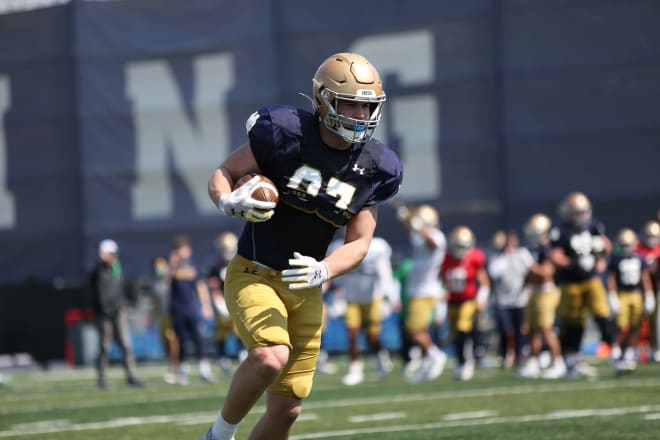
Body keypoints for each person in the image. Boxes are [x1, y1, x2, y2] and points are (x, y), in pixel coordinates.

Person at [203, 52, 402, 440]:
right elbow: (225, 173)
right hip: (254, 272)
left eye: (368, 105)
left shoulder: (377, 165)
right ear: (325, 100)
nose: (361, 115)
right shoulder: (287, 132)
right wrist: (226, 200)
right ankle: (218, 435)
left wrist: (325, 269)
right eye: (352, 104)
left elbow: (360, 241)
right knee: (268, 356)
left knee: (287, 409)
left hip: (306, 286)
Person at [549, 192, 614, 378]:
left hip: (591, 279)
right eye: (578, 212)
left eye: (584, 212)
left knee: (602, 314)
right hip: (570, 283)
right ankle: (571, 360)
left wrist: (601, 255)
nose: (583, 216)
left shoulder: (594, 227)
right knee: (573, 322)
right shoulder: (561, 229)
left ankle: (617, 353)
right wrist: (573, 262)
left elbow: (607, 246)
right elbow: (555, 255)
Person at [327, 236, 396, 386]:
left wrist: (387, 296)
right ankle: (355, 370)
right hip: (351, 297)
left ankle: (380, 355)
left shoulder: (378, 247)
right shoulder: (339, 246)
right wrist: (336, 294)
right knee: (352, 334)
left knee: (372, 337)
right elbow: (334, 272)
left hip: (373, 298)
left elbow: (385, 274)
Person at [396, 204, 448, 383]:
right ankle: (428, 362)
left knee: (413, 329)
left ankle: (435, 355)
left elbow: (432, 243)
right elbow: (412, 230)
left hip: (425, 290)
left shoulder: (437, 236)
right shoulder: (419, 234)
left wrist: (418, 226)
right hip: (416, 288)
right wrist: (406, 218)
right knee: (421, 329)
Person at [89, 239, 143, 390]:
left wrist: (126, 304)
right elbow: (95, 293)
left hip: (118, 311)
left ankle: (131, 376)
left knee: (126, 345)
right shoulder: (98, 271)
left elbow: (125, 288)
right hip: (103, 313)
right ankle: (102, 379)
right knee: (104, 347)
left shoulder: (118, 269)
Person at [518, 214, 566, 379]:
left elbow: (546, 273)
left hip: (547, 291)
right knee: (532, 330)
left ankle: (558, 362)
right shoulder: (534, 248)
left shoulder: (549, 249)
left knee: (546, 329)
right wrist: (524, 287)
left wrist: (530, 264)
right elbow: (530, 275)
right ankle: (533, 362)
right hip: (535, 292)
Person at [440, 226, 490, 381]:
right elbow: (441, 279)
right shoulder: (446, 258)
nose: (460, 250)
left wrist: (481, 299)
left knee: (463, 328)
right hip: (452, 300)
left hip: (468, 299)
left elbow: (484, 281)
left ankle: (466, 361)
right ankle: (461, 360)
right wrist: (442, 292)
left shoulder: (474, 257)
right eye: (458, 246)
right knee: (455, 333)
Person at [607, 228, 656, 373]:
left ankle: (629, 350)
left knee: (636, 325)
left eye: (628, 245)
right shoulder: (615, 259)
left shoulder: (639, 258)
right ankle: (616, 348)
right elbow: (611, 279)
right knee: (622, 325)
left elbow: (645, 277)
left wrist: (648, 294)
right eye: (623, 245)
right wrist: (612, 295)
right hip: (623, 294)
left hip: (636, 294)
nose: (626, 248)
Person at [169, 234, 215, 385]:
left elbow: (200, 287)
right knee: (181, 340)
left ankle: (204, 369)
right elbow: (163, 279)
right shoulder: (173, 267)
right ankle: (182, 371)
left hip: (192, 309)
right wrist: (172, 265)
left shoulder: (193, 266)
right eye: (184, 248)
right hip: (177, 309)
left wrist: (206, 305)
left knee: (198, 339)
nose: (187, 250)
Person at [488, 230, 532, 369]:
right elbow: (493, 272)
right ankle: (506, 353)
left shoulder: (523, 254)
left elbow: (531, 271)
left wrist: (527, 288)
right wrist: (506, 255)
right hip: (502, 300)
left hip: (520, 299)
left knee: (520, 330)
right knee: (505, 329)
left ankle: (518, 356)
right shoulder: (498, 257)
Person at [206, 231, 246, 375]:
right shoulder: (216, 266)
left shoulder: (240, 262)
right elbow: (214, 285)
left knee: (240, 331)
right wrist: (218, 302)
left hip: (237, 300)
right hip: (223, 302)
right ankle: (223, 359)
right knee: (221, 333)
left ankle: (242, 355)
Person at [149, 255, 181, 384]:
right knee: (165, 343)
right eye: (156, 265)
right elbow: (155, 302)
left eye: (161, 264)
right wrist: (153, 316)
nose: (159, 268)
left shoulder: (171, 280)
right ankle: (172, 364)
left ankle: (175, 367)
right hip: (161, 316)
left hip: (172, 314)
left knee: (173, 341)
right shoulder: (155, 283)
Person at [636, 220, 660, 361]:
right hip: (639, 290)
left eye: (654, 236)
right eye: (649, 236)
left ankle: (655, 348)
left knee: (656, 321)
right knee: (638, 321)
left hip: (657, 289)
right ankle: (636, 349)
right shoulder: (638, 249)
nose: (651, 240)